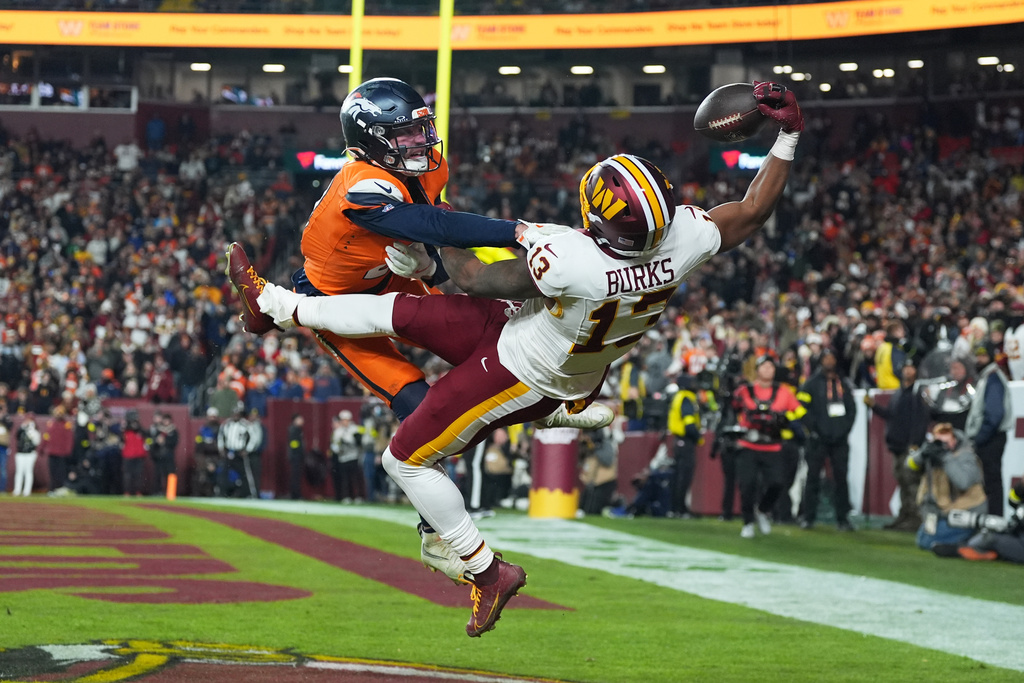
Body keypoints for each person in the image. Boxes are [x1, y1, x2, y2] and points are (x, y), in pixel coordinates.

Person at [230, 79, 804, 635]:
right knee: (394, 313)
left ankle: (485, 569)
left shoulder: (573, 259)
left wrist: (498, 240)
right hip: (546, 346)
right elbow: (752, 211)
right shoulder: (683, 240)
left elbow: (477, 276)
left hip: (522, 370)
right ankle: (275, 303)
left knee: (403, 459)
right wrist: (787, 136)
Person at [226, 76, 608, 573]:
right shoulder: (363, 187)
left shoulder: (426, 169)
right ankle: (436, 535)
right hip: (337, 302)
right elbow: (433, 226)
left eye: (421, 130)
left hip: (391, 281)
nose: (420, 143)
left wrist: (434, 269)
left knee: (494, 347)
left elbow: (437, 228)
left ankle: (542, 404)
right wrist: (516, 231)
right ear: (371, 141)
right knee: (422, 409)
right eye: (404, 135)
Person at [732, 355, 805, 538]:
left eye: (770, 367)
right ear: (757, 370)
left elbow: (798, 412)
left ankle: (763, 510)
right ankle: (748, 522)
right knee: (747, 484)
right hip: (749, 443)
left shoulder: (784, 391)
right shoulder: (745, 390)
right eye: (763, 366)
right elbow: (733, 407)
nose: (767, 370)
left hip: (773, 445)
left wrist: (785, 421)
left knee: (778, 483)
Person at [864, 360, 930, 530]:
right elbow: (891, 415)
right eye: (905, 368)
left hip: (909, 447)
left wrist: (915, 443)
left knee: (911, 482)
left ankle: (915, 518)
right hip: (898, 446)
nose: (908, 371)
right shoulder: (900, 392)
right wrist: (874, 406)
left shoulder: (917, 393)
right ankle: (904, 515)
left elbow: (920, 422)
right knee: (903, 482)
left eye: (911, 368)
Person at [797, 347, 857, 530]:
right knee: (813, 477)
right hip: (817, 439)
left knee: (841, 478)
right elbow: (800, 408)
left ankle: (843, 518)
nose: (830, 362)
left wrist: (844, 430)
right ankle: (808, 517)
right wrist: (813, 429)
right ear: (821, 361)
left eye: (832, 358)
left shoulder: (844, 383)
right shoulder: (811, 383)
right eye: (826, 358)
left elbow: (852, 410)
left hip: (839, 439)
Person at [907, 422, 987, 552]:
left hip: (966, 513)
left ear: (954, 441)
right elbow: (909, 465)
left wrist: (945, 457)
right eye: (938, 442)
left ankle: (973, 540)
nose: (942, 446)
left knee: (928, 542)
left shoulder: (967, 456)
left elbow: (963, 482)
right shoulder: (933, 455)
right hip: (942, 513)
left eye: (946, 442)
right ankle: (964, 541)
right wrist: (922, 453)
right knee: (922, 539)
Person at [965, 341, 1012, 516]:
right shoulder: (988, 376)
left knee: (991, 482)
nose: (979, 359)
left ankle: (993, 522)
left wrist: (979, 438)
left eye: (983, 355)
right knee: (990, 482)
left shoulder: (992, 378)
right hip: (991, 437)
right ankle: (991, 521)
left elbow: (994, 415)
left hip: (991, 438)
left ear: (991, 357)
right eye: (977, 355)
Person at [666, 378, 702, 517]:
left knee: (677, 475)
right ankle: (680, 509)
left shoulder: (678, 396)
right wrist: (698, 437)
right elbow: (689, 423)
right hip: (685, 440)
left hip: (678, 440)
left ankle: (674, 508)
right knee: (684, 476)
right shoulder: (686, 398)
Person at [218, 402, 254, 498]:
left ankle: (247, 493)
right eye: (234, 413)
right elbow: (220, 437)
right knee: (223, 473)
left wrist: (247, 449)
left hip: (239, 452)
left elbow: (253, 438)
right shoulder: (226, 424)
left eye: (237, 413)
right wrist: (221, 448)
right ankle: (222, 493)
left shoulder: (246, 425)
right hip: (228, 451)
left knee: (245, 474)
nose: (235, 415)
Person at [329, 409, 365, 503]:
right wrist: (338, 448)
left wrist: (350, 442)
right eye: (343, 419)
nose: (345, 421)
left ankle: (358, 496)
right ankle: (346, 496)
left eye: (346, 419)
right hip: (343, 457)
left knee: (355, 478)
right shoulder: (338, 432)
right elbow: (334, 445)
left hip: (353, 456)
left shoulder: (355, 429)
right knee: (345, 479)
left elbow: (359, 443)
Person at [149, 412, 179, 496]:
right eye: (165, 420)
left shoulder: (173, 431)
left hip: (169, 456)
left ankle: (171, 492)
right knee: (158, 475)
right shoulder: (158, 430)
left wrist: (165, 441)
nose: (166, 422)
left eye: (167, 420)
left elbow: (174, 443)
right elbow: (152, 442)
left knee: (170, 474)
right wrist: (157, 441)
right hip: (159, 456)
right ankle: (157, 492)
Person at [13, 415, 41, 496]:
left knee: (28, 472)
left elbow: (36, 442)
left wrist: (31, 430)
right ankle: (17, 490)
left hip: (30, 453)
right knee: (19, 472)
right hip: (20, 453)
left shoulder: (35, 431)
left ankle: (27, 491)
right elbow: (17, 435)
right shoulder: (22, 429)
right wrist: (23, 427)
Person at [121, 411, 148, 497]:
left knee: (138, 475)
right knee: (128, 475)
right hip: (128, 456)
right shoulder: (125, 430)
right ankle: (127, 492)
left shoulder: (140, 430)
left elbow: (147, 434)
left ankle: (138, 492)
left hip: (139, 455)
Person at [287, 413, 307, 500]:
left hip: (296, 456)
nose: (302, 421)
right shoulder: (294, 429)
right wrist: (298, 452)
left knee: (296, 476)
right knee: (295, 476)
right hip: (296, 456)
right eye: (300, 419)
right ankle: (295, 495)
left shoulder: (297, 429)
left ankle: (296, 494)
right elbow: (293, 443)